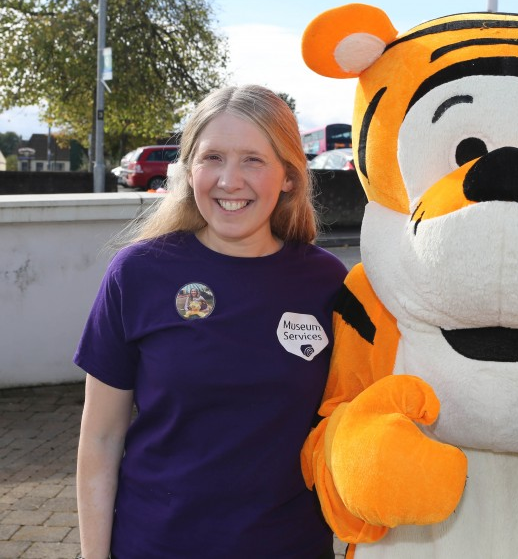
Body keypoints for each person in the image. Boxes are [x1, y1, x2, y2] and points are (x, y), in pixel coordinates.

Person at [74, 85, 347, 559]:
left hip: (290, 546)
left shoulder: (325, 281)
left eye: (253, 160)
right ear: (189, 169)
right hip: (156, 545)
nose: (229, 180)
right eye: (213, 158)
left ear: (288, 175)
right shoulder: (139, 274)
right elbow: (100, 437)